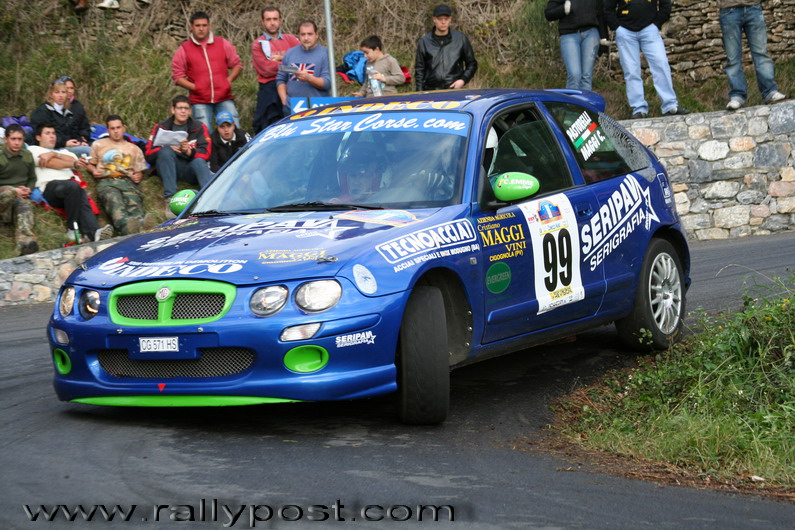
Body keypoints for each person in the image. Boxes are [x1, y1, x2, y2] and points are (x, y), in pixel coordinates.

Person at [603, 0, 690, 119]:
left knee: (661, 64)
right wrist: (617, 27)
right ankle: (638, 108)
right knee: (631, 71)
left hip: (649, 30)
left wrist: (657, 23)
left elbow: (665, 3)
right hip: (625, 32)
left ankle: (670, 106)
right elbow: (607, 7)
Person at [28, 124, 113, 243]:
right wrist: (70, 163)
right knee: (73, 187)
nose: (52, 136)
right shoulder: (33, 150)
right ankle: (72, 229)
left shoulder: (64, 151)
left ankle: (93, 234)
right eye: (47, 133)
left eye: (53, 133)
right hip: (50, 187)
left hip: (71, 187)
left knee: (78, 190)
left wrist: (54, 154)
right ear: (38, 137)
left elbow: (74, 161)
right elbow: (51, 163)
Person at [172, 11, 243, 131]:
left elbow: (237, 65)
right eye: (197, 26)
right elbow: (177, 76)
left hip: (224, 97)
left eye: (204, 25)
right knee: (204, 134)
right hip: (199, 100)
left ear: (209, 26)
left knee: (234, 130)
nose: (201, 29)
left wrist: (228, 81)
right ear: (191, 27)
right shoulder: (184, 49)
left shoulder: (222, 43)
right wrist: (196, 87)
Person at [144, 95, 213, 217]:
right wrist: (166, 147)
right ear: (173, 110)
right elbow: (148, 153)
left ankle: (210, 199)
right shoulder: (161, 127)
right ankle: (171, 200)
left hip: (189, 168)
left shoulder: (199, 127)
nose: (183, 111)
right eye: (180, 108)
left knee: (199, 161)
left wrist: (189, 151)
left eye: (186, 108)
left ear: (190, 111)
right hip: (167, 167)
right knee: (166, 151)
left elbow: (206, 152)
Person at [88, 115, 156, 235]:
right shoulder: (98, 144)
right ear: (108, 130)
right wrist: (94, 170)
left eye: (118, 127)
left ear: (124, 128)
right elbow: (90, 164)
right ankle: (128, 229)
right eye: (112, 128)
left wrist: (138, 175)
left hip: (128, 182)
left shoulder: (134, 148)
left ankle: (142, 227)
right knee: (116, 207)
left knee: (136, 209)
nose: (116, 131)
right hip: (107, 182)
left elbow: (139, 171)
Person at [719, 0, 787, 110]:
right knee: (733, 58)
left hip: (753, 7)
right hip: (729, 9)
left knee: (761, 53)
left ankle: (770, 92)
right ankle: (737, 96)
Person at [252, 6, 300, 133]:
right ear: (262, 22)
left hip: (293, 87)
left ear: (280, 20)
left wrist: (281, 58)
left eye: (275, 19)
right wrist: (291, 67)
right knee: (269, 129)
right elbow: (266, 69)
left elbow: (303, 61)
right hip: (270, 91)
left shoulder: (291, 39)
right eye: (268, 19)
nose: (272, 22)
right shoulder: (258, 43)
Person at [545, 0, 608, 90]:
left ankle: (584, 99)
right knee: (574, 75)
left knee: (586, 77)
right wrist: (563, 9)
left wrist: (604, 37)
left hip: (591, 34)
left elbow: (601, 13)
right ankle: (572, 99)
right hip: (569, 34)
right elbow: (548, 13)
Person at [414, 4, 478, 91]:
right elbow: (419, 70)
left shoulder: (460, 39)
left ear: (450, 19)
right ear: (434, 19)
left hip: (453, 89)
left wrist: (463, 80)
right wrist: (420, 92)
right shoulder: (424, 41)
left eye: (446, 19)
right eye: (440, 19)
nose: (443, 22)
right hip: (430, 90)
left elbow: (472, 64)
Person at [276, 20, 331, 113]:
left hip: (318, 107)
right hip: (292, 107)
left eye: (310, 34)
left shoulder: (325, 54)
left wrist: (309, 78)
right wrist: (284, 100)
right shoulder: (290, 53)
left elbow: (327, 83)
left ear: (316, 35)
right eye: (303, 34)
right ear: (299, 35)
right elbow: (281, 79)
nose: (306, 38)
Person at [0, 124, 38, 256]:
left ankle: (25, 244)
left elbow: (32, 178)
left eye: (20, 139)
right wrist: (14, 190)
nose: (17, 143)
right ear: (6, 139)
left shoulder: (27, 155)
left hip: (19, 197)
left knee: (25, 208)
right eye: (13, 139)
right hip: (3, 197)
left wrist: (28, 189)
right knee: (9, 190)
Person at [30, 79, 91, 157]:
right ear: (51, 94)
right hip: (51, 148)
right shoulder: (43, 111)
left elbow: (73, 132)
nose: (60, 95)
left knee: (94, 147)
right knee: (88, 151)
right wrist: (64, 143)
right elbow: (44, 136)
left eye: (63, 92)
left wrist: (79, 141)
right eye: (57, 92)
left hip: (66, 146)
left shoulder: (68, 113)